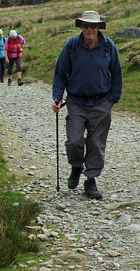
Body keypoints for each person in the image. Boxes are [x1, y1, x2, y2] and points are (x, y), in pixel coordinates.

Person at [52, 11, 123, 200]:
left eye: (93, 26)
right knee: (74, 140)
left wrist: (112, 100)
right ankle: (76, 166)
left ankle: (90, 179)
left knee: (96, 143)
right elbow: (60, 73)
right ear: (81, 27)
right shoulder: (72, 46)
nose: (89, 29)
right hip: (76, 101)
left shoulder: (108, 47)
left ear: (98, 27)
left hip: (101, 102)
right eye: (86, 26)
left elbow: (116, 74)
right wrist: (57, 97)